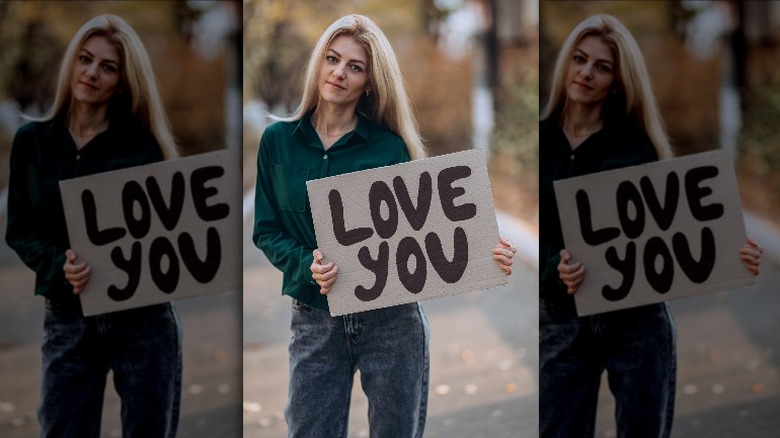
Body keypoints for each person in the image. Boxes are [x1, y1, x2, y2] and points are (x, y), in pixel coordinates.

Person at [253, 14, 517, 437]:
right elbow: (266, 230)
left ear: (369, 84)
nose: (339, 73)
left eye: (354, 67)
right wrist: (307, 265)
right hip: (315, 319)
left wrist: (485, 251)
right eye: (332, 59)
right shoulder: (277, 141)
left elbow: (424, 232)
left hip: (391, 322)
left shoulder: (389, 148)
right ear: (319, 62)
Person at [539, 14, 763, 438]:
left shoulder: (636, 147)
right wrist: (557, 269)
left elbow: (674, 233)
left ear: (617, 82)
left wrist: (733, 254)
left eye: (602, 67)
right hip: (563, 322)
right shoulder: (542, 143)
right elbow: (537, 243)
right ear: (566, 62)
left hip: (637, 325)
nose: (586, 73)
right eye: (580, 59)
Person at [6, 14, 181, 437]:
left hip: (142, 320)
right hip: (69, 316)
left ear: (122, 82)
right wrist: (58, 265)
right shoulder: (32, 142)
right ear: (72, 63)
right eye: (85, 59)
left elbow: (170, 234)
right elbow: (21, 230)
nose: (91, 73)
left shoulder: (143, 147)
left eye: (108, 66)